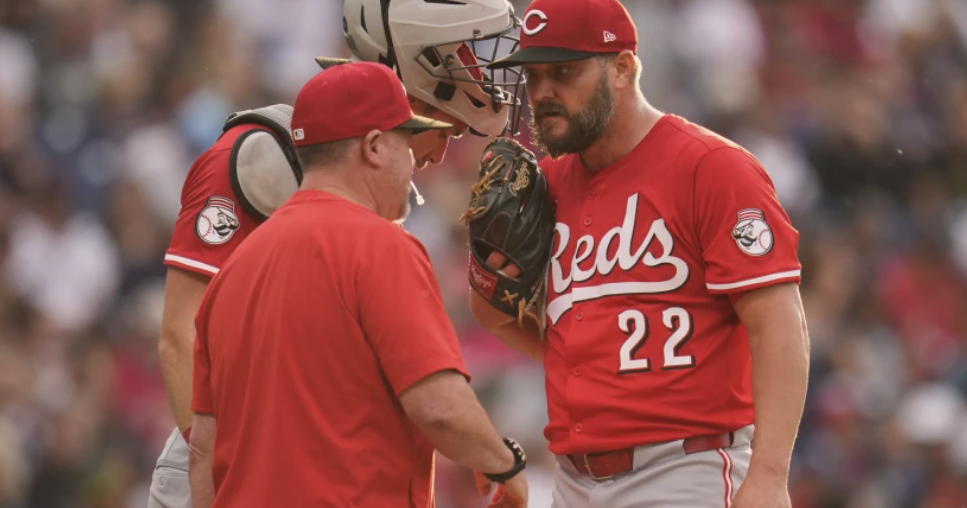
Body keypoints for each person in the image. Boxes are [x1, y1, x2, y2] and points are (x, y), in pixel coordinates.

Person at [148, 0, 524, 506]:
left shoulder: (358, 198)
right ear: (374, 142)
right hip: (233, 461)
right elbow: (178, 337)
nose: (440, 153)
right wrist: (242, 462)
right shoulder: (264, 155)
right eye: (443, 130)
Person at [470, 0, 812, 507]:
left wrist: (769, 473)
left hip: (683, 469)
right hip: (572, 480)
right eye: (534, 75)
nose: (543, 92)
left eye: (564, 71)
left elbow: (779, 325)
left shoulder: (711, 168)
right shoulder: (546, 185)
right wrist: (591, 360)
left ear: (623, 67)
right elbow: (491, 313)